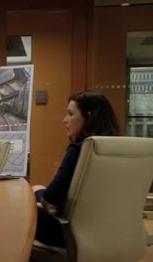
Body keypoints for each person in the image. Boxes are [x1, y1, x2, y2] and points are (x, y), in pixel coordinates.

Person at [33, 91, 120, 247]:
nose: (65, 120)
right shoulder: (121, 150)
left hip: (70, 233)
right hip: (114, 231)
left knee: (23, 204)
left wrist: (38, 194)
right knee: (38, 190)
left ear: (88, 117)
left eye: (70, 114)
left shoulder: (79, 149)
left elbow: (50, 198)